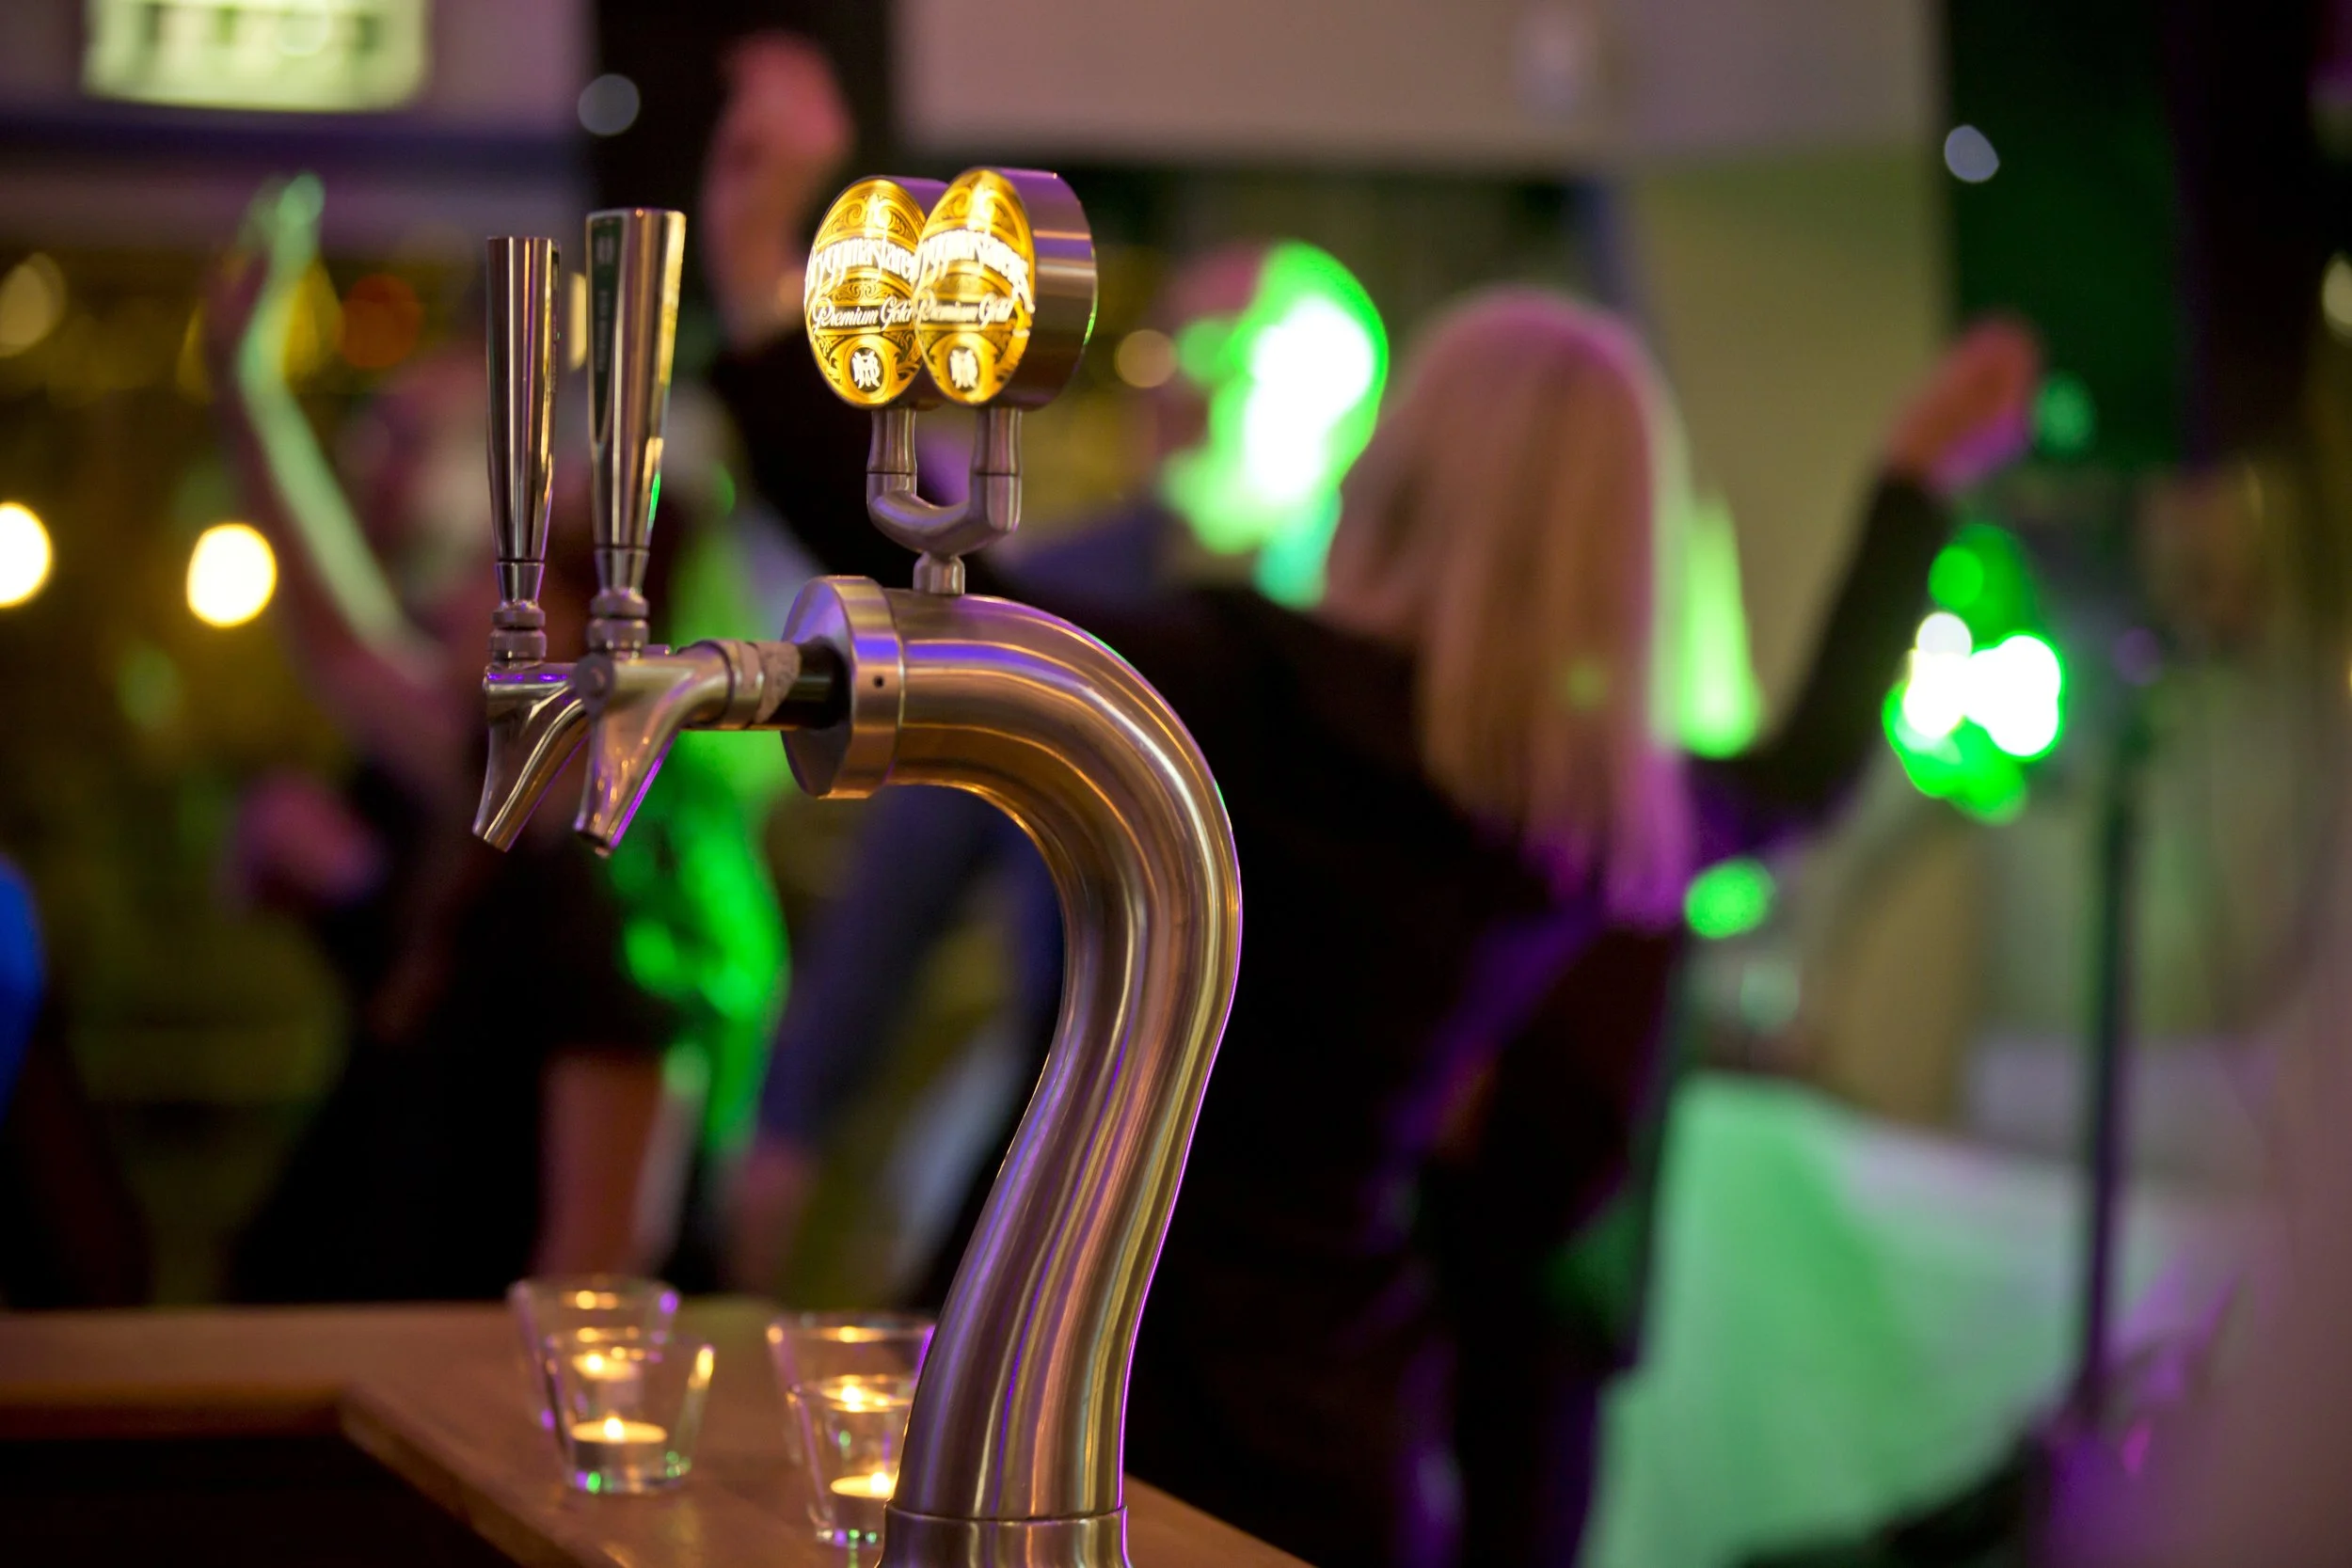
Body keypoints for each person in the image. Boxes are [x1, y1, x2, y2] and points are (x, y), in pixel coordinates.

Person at [201, 180, 675, 1300]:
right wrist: (246, 386)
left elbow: (591, 1261)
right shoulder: (488, 788)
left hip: (460, 1392)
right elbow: (339, 636)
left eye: (493, 574)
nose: (455, 601)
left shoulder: (614, 888)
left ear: (592, 628)